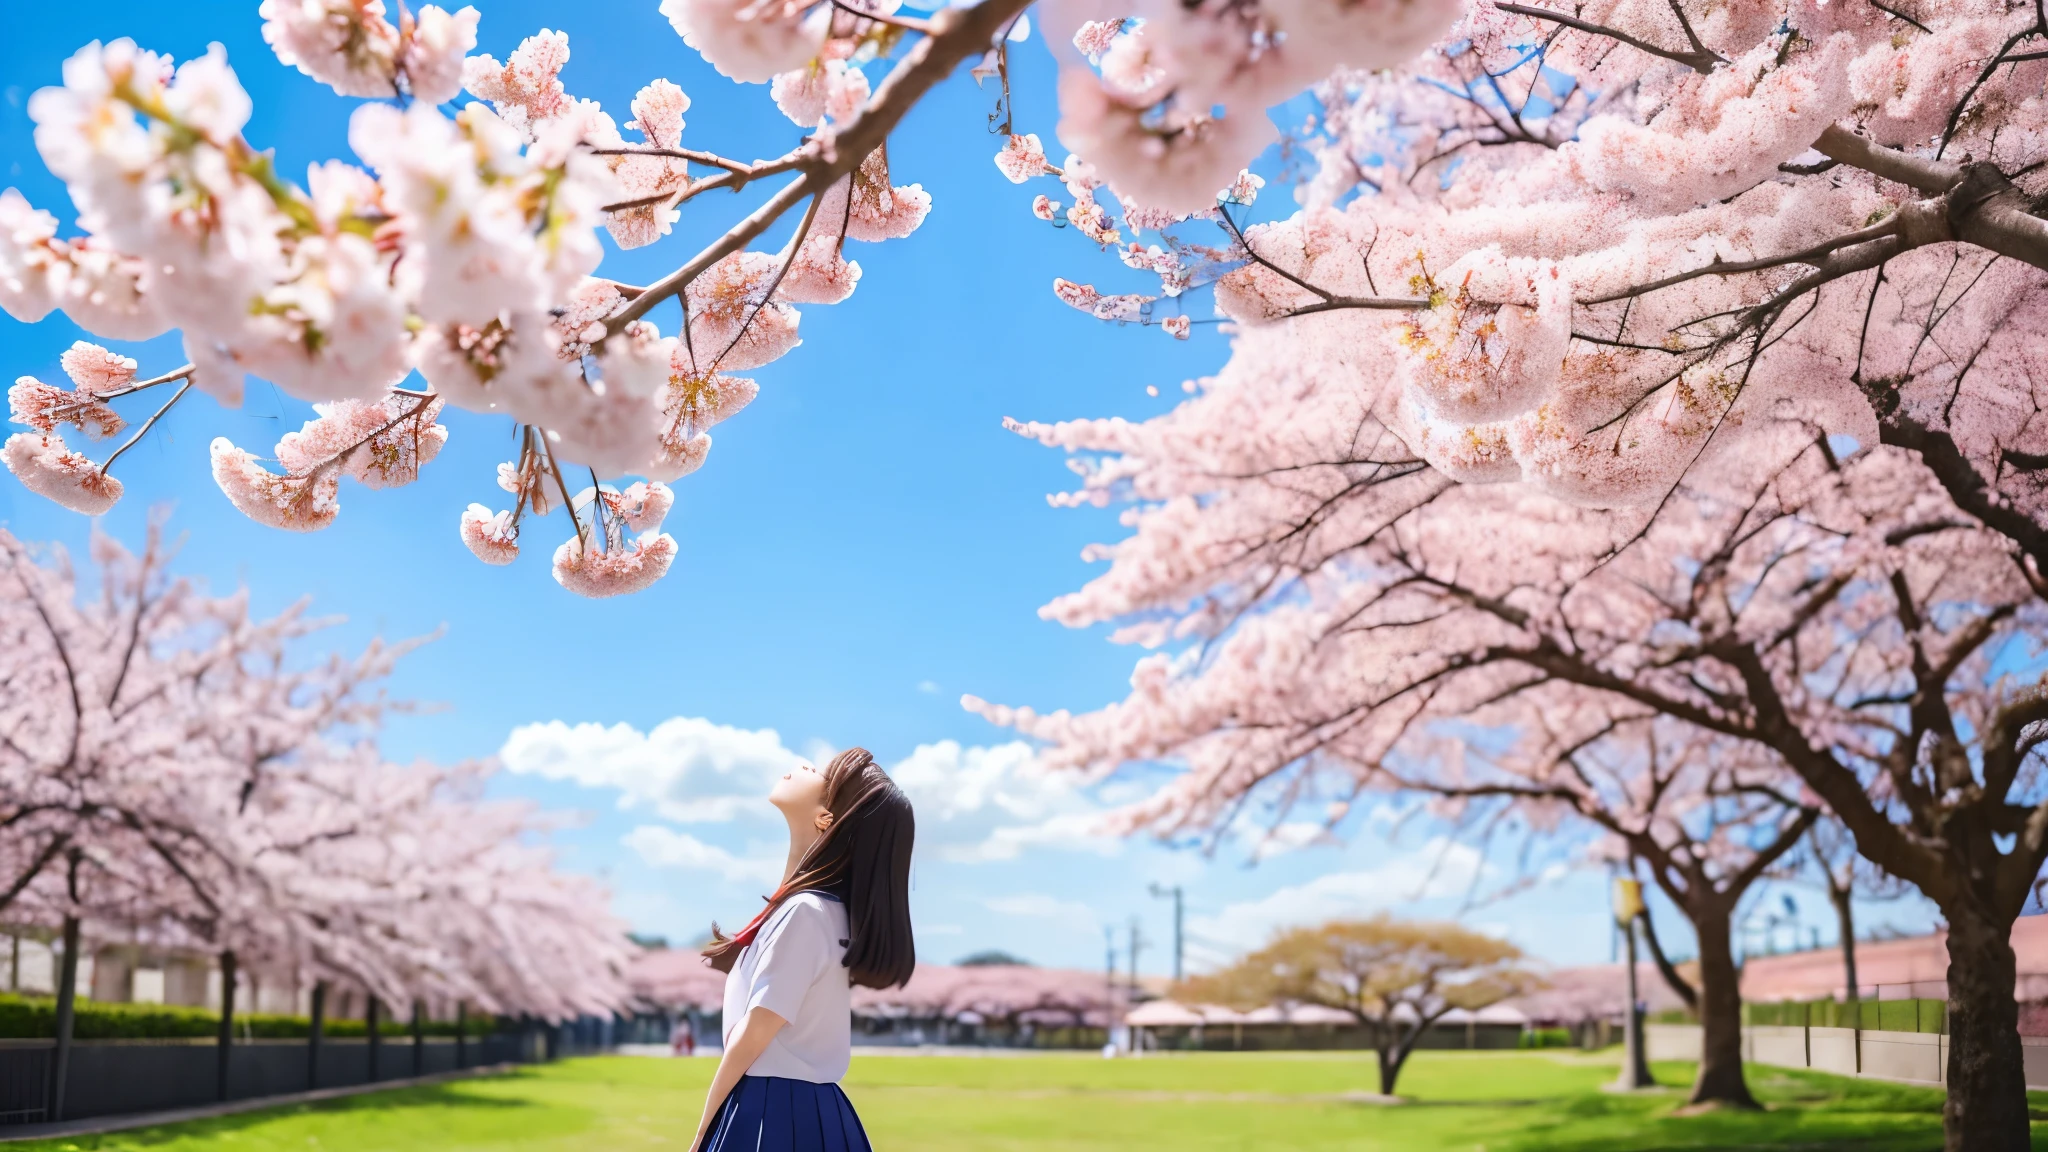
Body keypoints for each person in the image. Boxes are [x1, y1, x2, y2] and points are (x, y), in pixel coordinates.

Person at [688, 748, 916, 1152]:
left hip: (772, 1110)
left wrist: (704, 1130)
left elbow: (754, 1034)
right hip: (801, 1108)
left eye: (824, 777)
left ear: (825, 817)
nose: (806, 765)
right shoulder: (816, 909)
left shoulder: (806, 913)